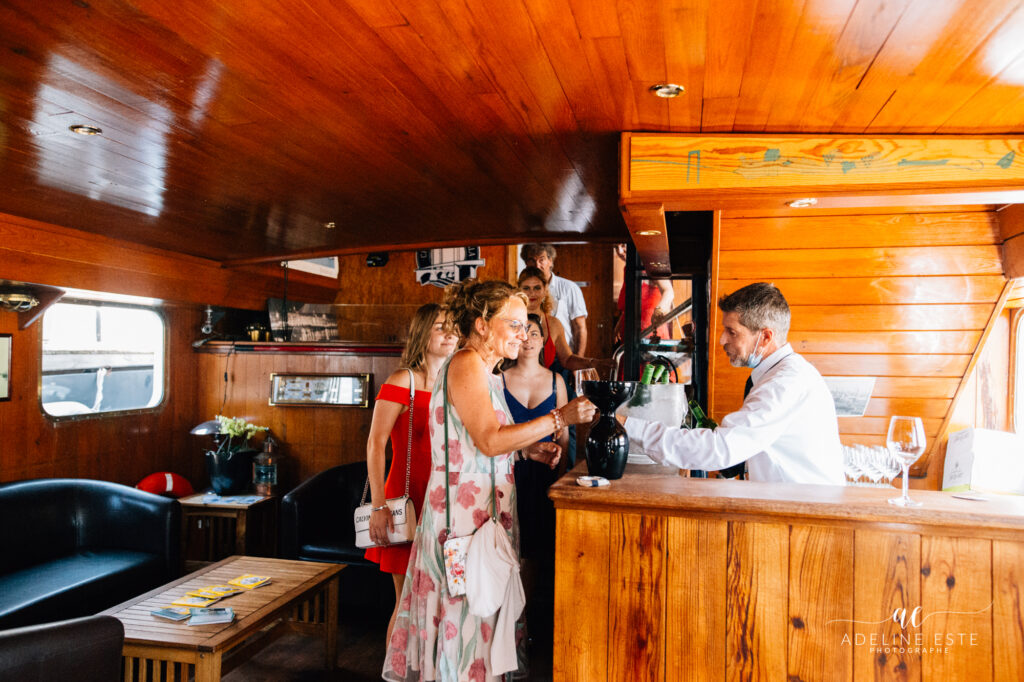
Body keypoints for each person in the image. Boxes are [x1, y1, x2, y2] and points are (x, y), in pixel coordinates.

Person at [383, 279, 597, 682]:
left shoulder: (486, 371)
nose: (524, 333)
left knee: (483, 616)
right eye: (514, 324)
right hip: (462, 524)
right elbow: (488, 438)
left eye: (525, 326)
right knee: (466, 618)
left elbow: (477, 443)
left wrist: (529, 449)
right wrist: (559, 418)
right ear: (482, 324)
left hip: (485, 518)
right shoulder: (465, 363)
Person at [622, 282, 844, 484]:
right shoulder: (781, 374)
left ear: (765, 337)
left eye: (732, 332)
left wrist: (628, 424)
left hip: (805, 516)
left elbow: (720, 449)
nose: (722, 340)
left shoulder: (785, 384)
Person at [365, 303, 458, 647]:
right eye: (439, 327)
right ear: (422, 333)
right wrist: (378, 506)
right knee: (407, 604)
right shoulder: (402, 380)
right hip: (406, 502)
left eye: (452, 327)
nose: (449, 333)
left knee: (443, 602)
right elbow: (375, 445)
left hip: (446, 502)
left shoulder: (454, 383)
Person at [500, 313, 568, 647]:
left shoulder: (557, 381)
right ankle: (502, 623)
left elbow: (566, 437)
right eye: (522, 331)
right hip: (505, 474)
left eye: (535, 332)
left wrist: (560, 480)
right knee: (506, 548)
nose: (528, 337)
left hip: (543, 477)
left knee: (533, 553)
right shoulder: (498, 379)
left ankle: (520, 625)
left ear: (544, 341)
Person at [517, 267, 613, 375]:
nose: (532, 293)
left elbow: (567, 359)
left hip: (544, 386)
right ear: (519, 290)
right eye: (526, 288)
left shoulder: (554, 324)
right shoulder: (511, 321)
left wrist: (593, 363)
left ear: (545, 290)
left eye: (537, 288)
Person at [521, 243, 588, 355]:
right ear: (526, 264)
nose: (537, 265)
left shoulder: (569, 288)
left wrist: (578, 362)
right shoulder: (521, 289)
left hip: (563, 356)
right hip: (532, 355)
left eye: (541, 260)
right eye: (532, 260)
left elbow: (580, 327)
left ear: (550, 261)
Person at [613, 243, 675, 342]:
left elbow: (668, 291)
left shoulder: (651, 265)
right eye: (616, 247)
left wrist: (659, 311)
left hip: (650, 336)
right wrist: (619, 325)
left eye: (623, 245)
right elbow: (629, 305)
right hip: (630, 336)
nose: (619, 251)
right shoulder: (628, 269)